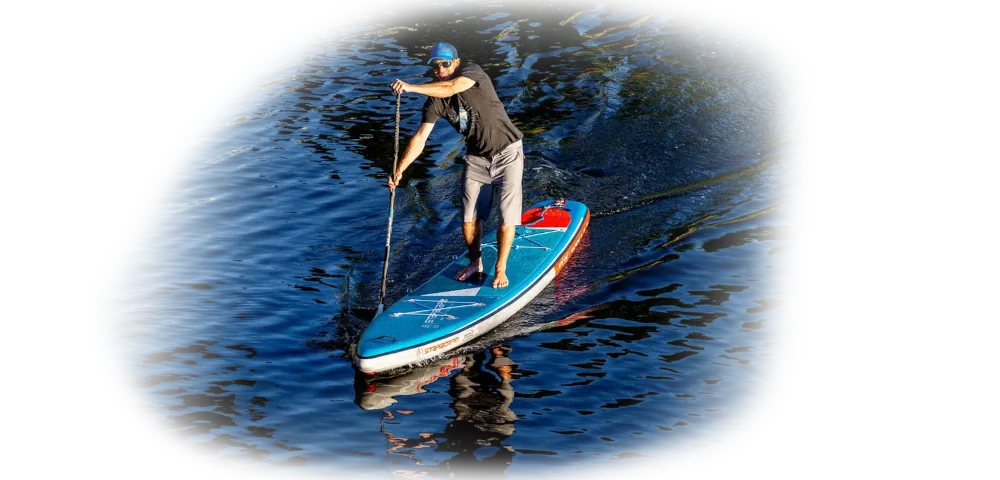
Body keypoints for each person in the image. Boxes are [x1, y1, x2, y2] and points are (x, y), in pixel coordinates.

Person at [389, 42, 524, 289]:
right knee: (468, 219)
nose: (440, 69)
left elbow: (453, 86)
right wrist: (400, 170)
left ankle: (500, 268)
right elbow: (420, 138)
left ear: (457, 63)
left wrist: (410, 87)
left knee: (506, 216)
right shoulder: (435, 103)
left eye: (445, 63)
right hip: (476, 159)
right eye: (436, 66)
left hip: (508, 153)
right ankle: (475, 263)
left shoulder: (473, 73)